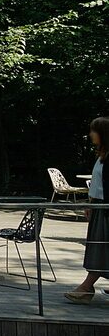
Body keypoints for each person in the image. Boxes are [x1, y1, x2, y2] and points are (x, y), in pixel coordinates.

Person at [65, 117, 109, 304]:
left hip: (106, 209)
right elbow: (98, 185)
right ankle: (86, 288)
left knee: (101, 247)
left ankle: (86, 287)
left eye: (94, 131)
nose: (91, 134)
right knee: (100, 246)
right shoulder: (102, 156)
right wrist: (90, 204)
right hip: (99, 207)